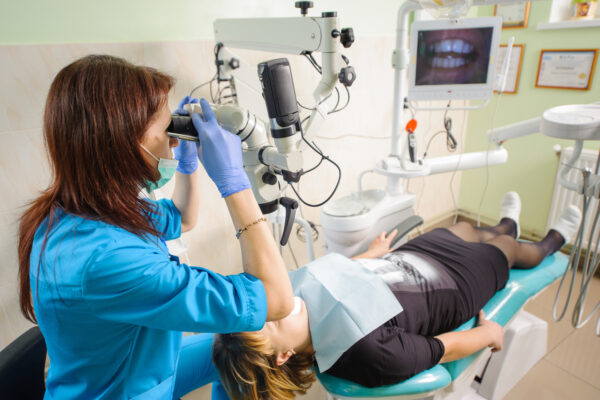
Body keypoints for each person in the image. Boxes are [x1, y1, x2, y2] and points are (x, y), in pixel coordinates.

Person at [17, 55, 294, 399]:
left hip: (135, 370)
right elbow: (277, 299)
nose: (173, 140)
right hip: (124, 391)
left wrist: (188, 163)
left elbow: (183, 218)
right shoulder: (107, 260)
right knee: (248, 335)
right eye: (167, 130)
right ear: (125, 143)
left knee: (240, 346)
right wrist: (235, 184)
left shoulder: (85, 208)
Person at [212, 193, 583, 400]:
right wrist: (490, 334)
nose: (276, 305)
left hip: (408, 259)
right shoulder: (366, 356)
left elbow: (336, 273)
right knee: (507, 249)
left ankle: (508, 222)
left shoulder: (292, 298)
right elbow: (443, 347)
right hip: (453, 286)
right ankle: (553, 239)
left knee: (465, 226)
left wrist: (373, 253)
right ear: (283, 356)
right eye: (273, 321)